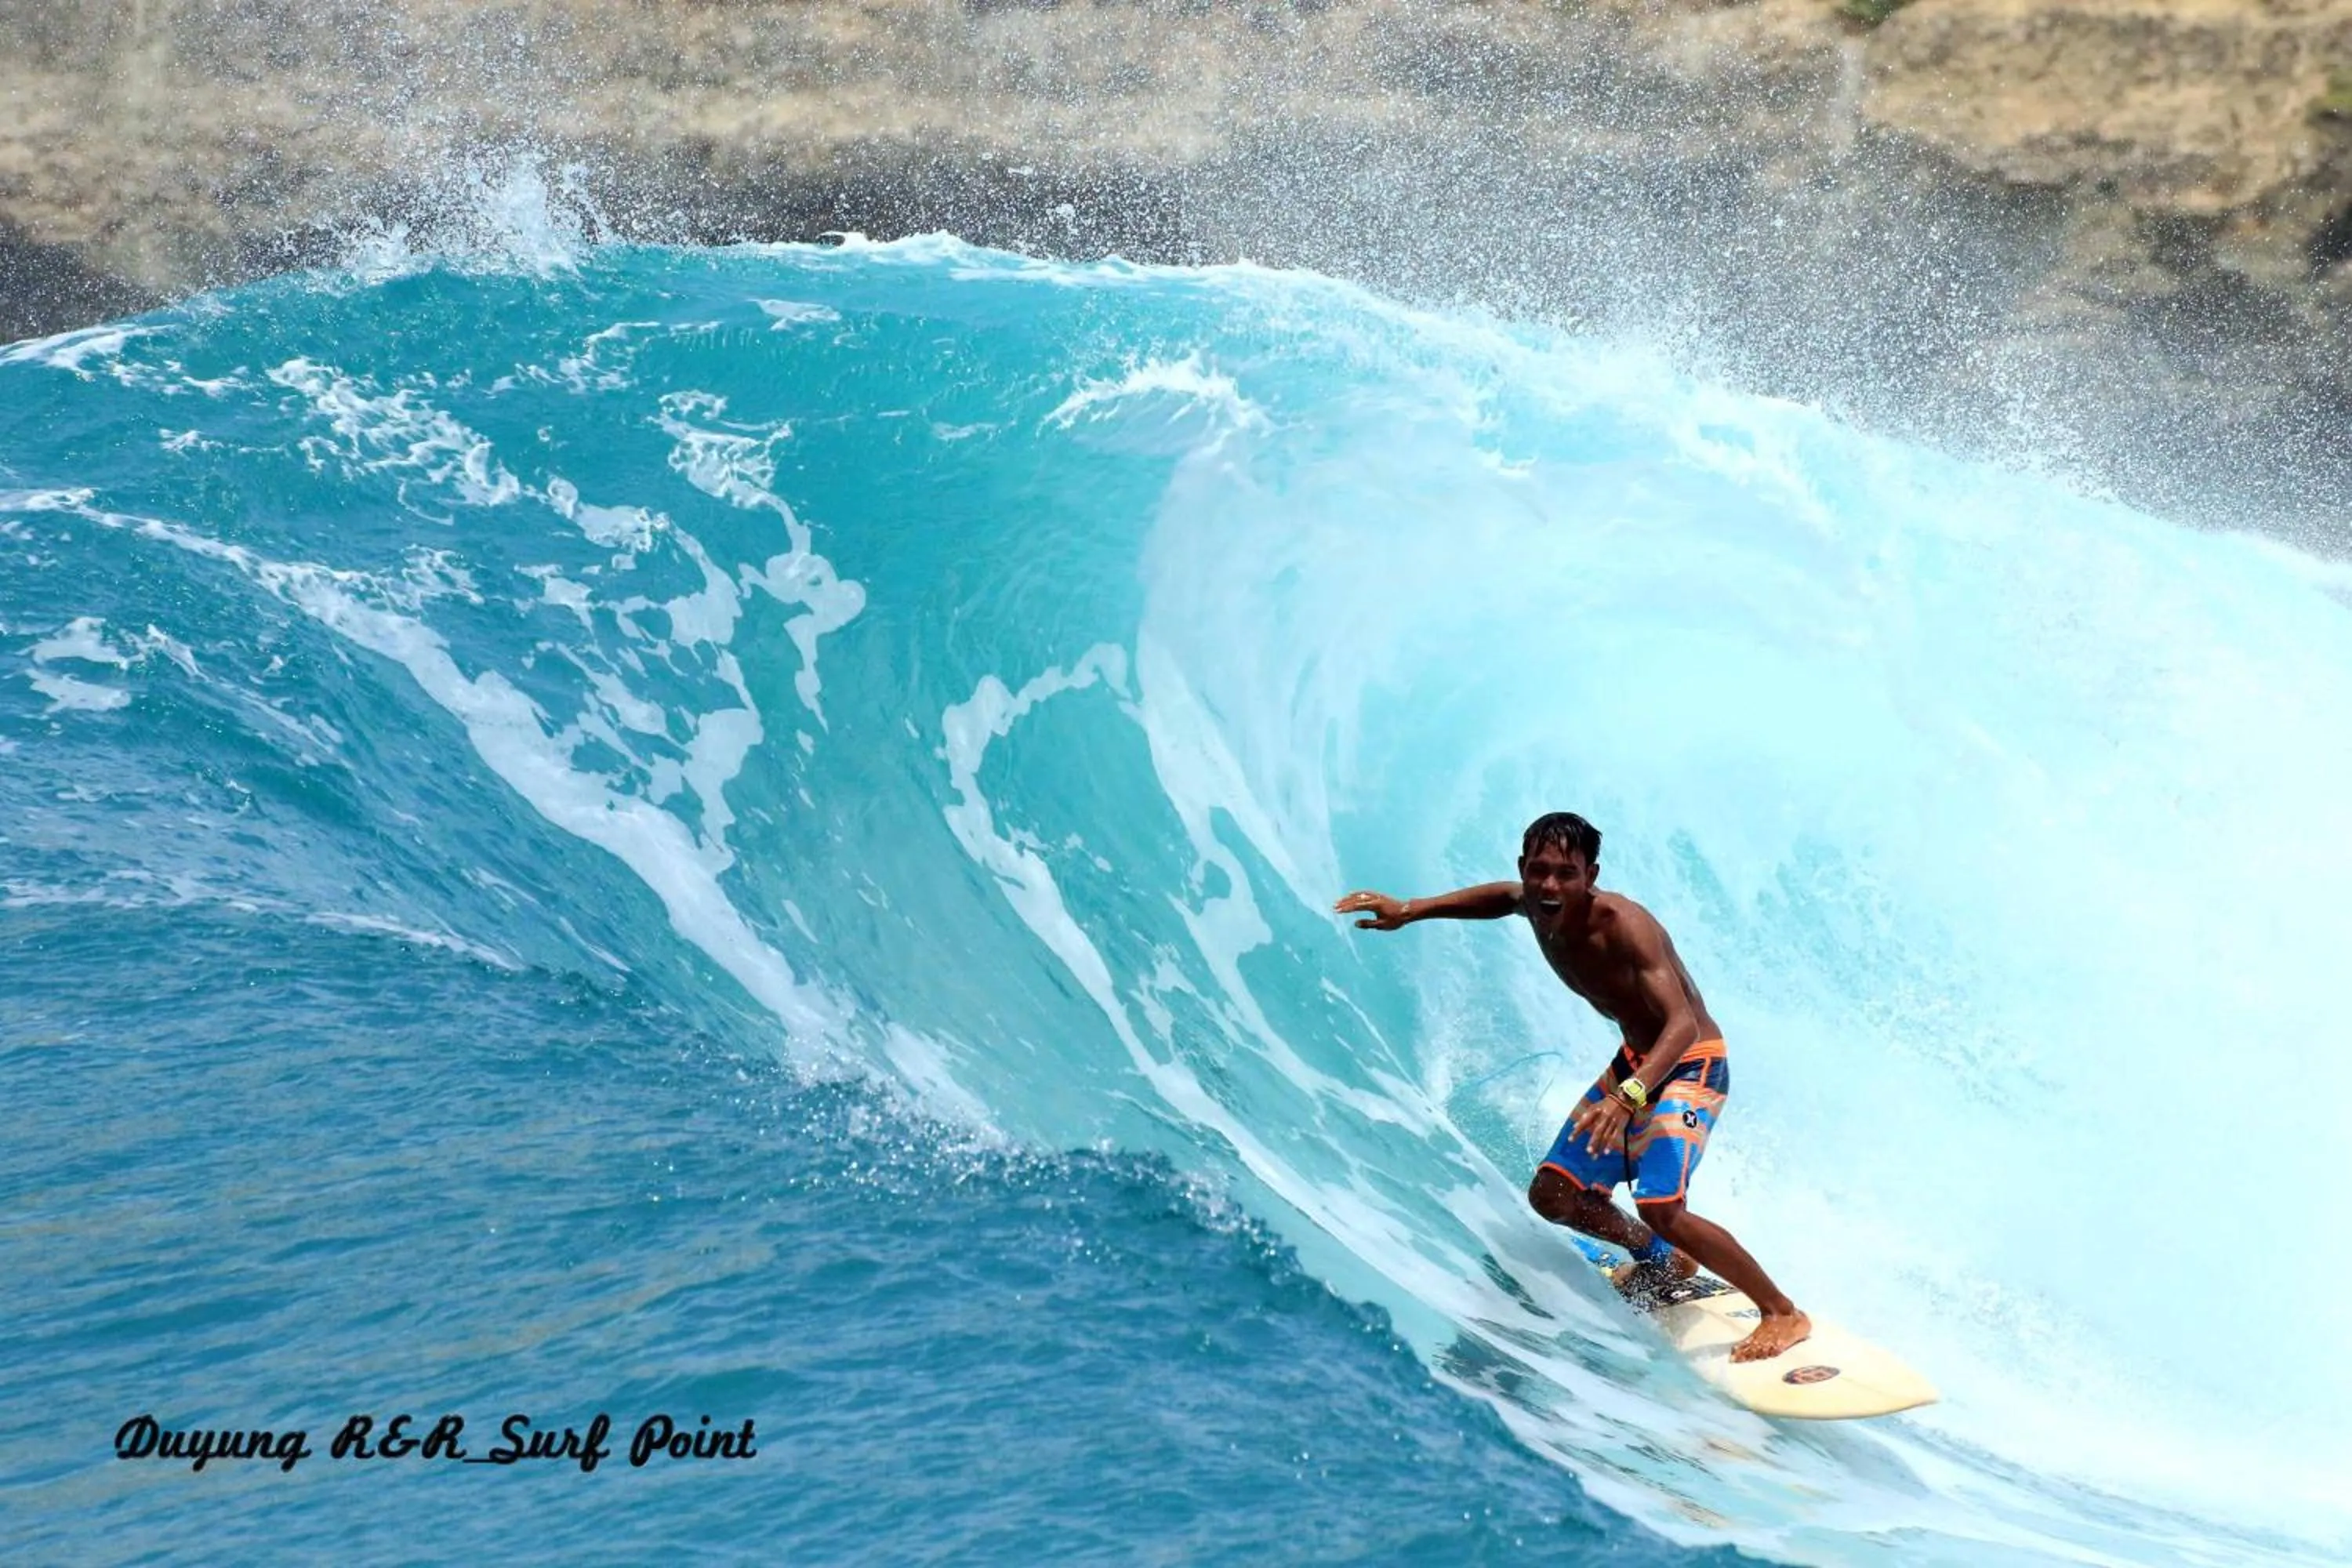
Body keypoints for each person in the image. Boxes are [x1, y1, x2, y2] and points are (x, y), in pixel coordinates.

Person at [1334, 811, 1810, 1362]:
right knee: (1553, 1195)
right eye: (1538, 872)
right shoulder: (1535, 905)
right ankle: (1666, 1260)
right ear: (1524, 869)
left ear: (1591, 876)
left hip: (1689, 1063)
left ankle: (1781, 1311)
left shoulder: (1627, 927)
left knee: (1661, 1205)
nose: (1549, 886)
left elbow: (1680, 1025)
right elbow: (1501, 899)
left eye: (1566, 873)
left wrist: (1626, 1096)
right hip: (1635, 1060)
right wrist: (1411, 910)